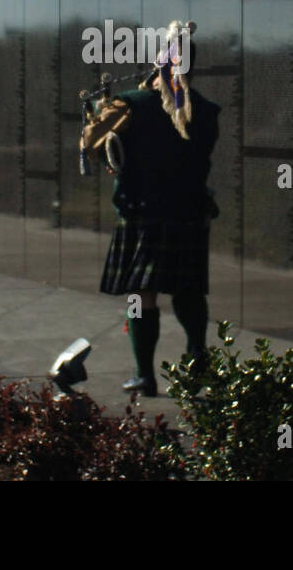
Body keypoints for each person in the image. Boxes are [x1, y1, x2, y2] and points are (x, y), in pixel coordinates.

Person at [80, 20, 220, 396]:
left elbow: (91, 142)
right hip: (189, 212)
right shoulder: (206, 111)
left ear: (160, 63)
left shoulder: (132, 104)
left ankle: (144, 373)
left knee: (140, 295)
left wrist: (103, 111)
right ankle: (197, 359)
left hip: (143, 215)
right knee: (189, 290)